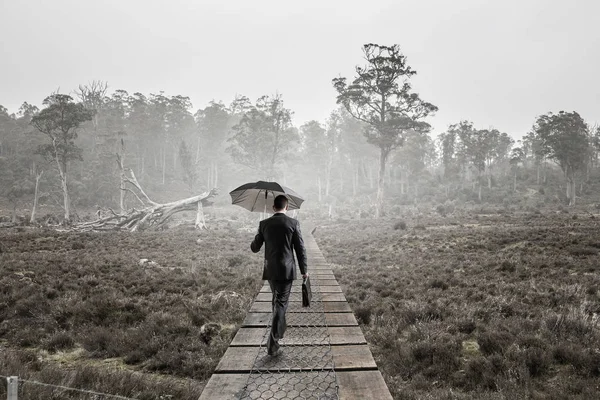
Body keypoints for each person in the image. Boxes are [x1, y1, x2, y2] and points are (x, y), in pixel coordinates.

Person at [250, 194, 308, 356]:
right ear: (287, 207)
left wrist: (259, 232)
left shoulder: (264, 224)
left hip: (271, 270)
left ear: (273, 208)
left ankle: (279, 330)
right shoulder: (293, 223)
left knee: (277, 301)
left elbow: (254, 247)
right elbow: (300, 249)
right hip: (287, 270)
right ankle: (272, 344)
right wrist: (304, 270)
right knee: (281, 303)